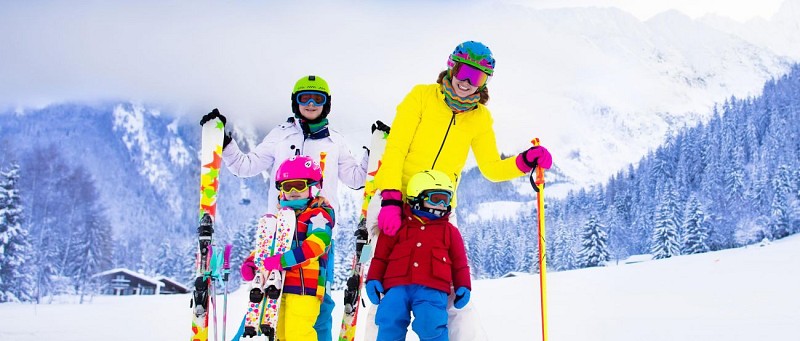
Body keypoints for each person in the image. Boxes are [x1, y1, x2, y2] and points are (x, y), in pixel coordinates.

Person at [367, 41, 553, 340]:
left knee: (454, 300)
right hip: (396, 201)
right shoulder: (421, 97)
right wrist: (390, 196)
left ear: (484, 82)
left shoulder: (479, 118)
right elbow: (396, 148)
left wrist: (524, 162)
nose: (467, 82)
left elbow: (491, 167)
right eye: (464, 72)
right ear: (452, 67)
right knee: (387, 296)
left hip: (440, 207)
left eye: (477, 77)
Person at [199, 75, 369, 340]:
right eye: (304, 98)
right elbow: (247, 166)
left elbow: (356, 179)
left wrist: (375, 152)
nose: (311, 104)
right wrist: (226, 143)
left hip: (317, 232)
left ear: (327, 104)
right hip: (279, 233)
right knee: (266, 297)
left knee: (318, 302)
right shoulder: (280, 135)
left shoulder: (335, 141)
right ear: (295, 102)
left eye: (318, 99)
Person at [365, 170, 471, 341]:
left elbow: (460, 263)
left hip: (432, 286)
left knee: (432, 324)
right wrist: (373, 278)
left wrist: (464, 285)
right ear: (416, 197)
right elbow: (381, 256)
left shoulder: (450, 231)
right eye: (437, 198)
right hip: (396, 284)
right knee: (389, 319)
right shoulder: (397, 225)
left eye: (447, 199)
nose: (443, 204)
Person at [239, 155, 335, 341]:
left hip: (305, 287)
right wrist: (253, 262)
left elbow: (316, 246)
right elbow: (267, 247)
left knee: (298, 333)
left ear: (312, 186)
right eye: (286, 186)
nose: (292, 191)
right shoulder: (280, 219)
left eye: (299, 185)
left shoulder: (318, 214)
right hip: (277, 288)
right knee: (280, 334)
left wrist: (282, 261)